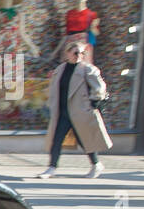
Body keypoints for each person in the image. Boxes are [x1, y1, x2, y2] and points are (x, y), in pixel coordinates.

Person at [39, 39, 113, 179]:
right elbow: (55, 90)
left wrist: (92, 104)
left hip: (80, 111)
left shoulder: (88, 69)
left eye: (82, 53)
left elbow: (100, 88)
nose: (79, 55)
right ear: (67, 53)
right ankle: (52, 168)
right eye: (76, 52)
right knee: (57, 140)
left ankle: (96, 164)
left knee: (84, 139)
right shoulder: (60, 69)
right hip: (62, 112)